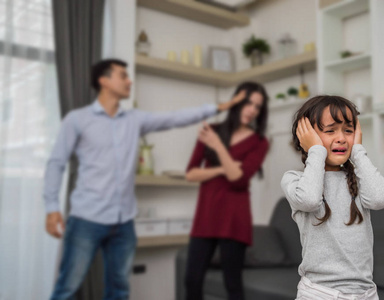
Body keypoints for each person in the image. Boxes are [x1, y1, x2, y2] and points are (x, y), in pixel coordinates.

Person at [44, 58, 245, 300]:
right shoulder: (77, 120)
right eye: (122, 76)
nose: (129, 81)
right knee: (67, 287)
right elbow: (56, 163)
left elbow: (175, 118)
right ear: (104, 81)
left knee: (119, 290)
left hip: (124, 221)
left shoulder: (134, 120)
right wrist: (51, 207)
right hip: (87, 218)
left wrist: (219, 107)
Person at [280, 95, 384, 300]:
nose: (341, 138)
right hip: (319, 294)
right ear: (306, 138)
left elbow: (379, 199)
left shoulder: (358, 180)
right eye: (330, 130)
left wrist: (357, 152)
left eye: (348, 131)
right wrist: (315, 150)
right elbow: (310, 200)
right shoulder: (295, 179)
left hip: (366, 293)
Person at [184, 82, 270, 300]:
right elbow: (191, 173)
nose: (252, 110)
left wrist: (218, 148)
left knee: (232, 284)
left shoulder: (260, 142)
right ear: (237, 102)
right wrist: (223, 168)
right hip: (206, 215)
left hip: (234, 219)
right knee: (191, 280)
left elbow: (238, 180)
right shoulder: (210, 131)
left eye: (257, 107)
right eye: (248, 103)